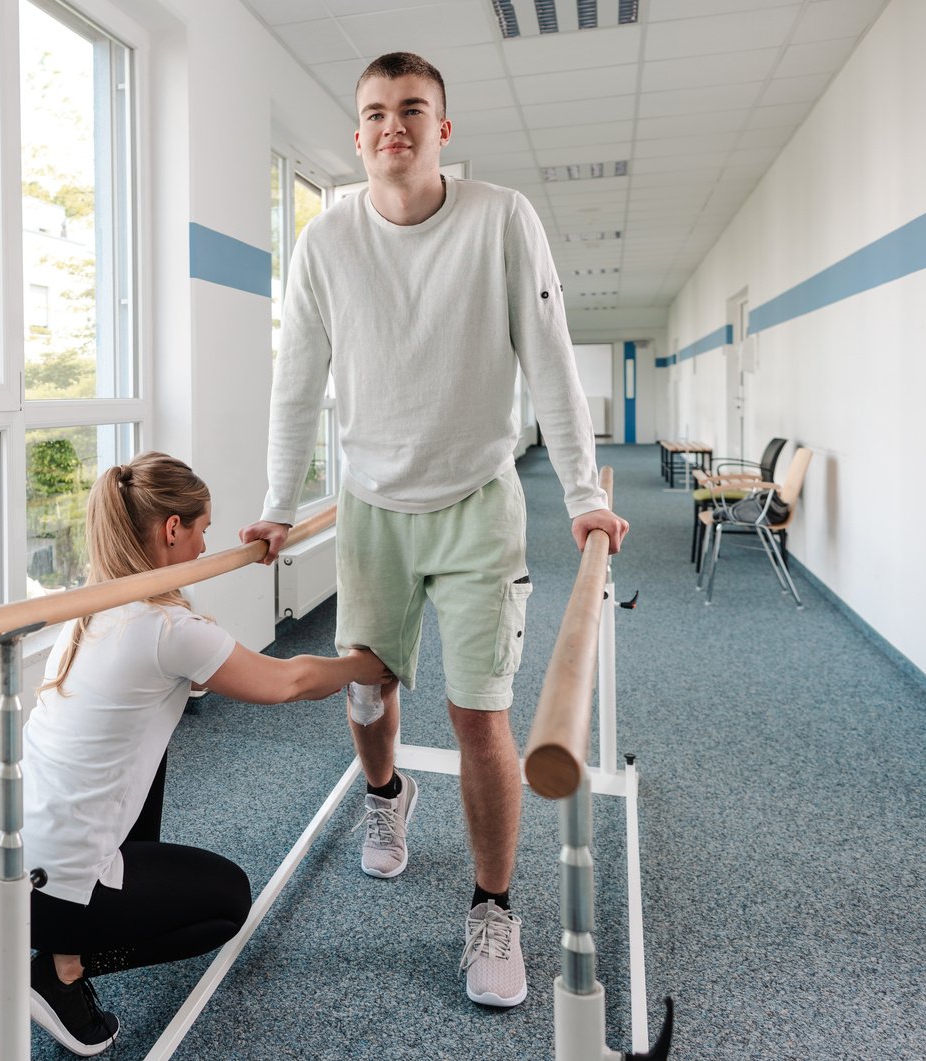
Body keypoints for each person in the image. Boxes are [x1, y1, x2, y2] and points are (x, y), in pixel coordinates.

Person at [239, 52, 630, 1010]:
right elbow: (297, 384)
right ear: (357, 134)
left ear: (442, 130)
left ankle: (493, 905)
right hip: (372, 507)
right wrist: (280, 504)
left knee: (477, 716)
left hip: (474, 504)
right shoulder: (325, 242)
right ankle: (384, 800)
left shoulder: (500, 218)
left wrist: (582, 492)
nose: (391, 128)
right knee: (368, 695)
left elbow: (548, 360)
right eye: (373, 113)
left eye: (411, 110)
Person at [0, 451, 392, 1056]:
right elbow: (288, 682)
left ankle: (69, 929)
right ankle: (60, 971)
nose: (203, 547)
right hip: (43, 882)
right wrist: (369, 664)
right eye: (202, 531)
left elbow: (179, 676)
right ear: (172, 529)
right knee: (226, 902)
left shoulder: (95, 604)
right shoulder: (168, 630)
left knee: (153, 742)